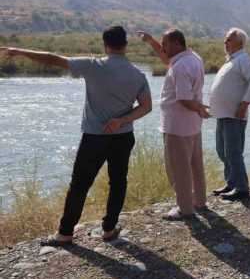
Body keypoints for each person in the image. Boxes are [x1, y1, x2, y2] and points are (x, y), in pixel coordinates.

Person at [1, 26, 152, 246]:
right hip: (123, 136)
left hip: (94, 137)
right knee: (118, 182)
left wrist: (20, 50)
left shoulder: (93, 66)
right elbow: (146, 107)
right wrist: (121, 120)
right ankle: (109, 229)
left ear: (105, 44)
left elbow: (53, 59)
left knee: (80, 185)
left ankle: (65, 233)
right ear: (125, 45)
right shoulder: (137, 74)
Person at [139, 28, 209, 220]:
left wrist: (200, 108)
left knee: (179, 169)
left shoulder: (179, 67)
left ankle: (185, 208)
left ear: (177, 44)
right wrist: (152, 42)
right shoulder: (193, 58)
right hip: (192, 125)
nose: (163, 47)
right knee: (195, 165)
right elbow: (166, 59)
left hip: (177, 125)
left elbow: (184, 99)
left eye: (165, 43)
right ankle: (200, 201)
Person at [208, 28, 250, 201]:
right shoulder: (231, 60)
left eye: (229, 39)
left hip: (234, 115)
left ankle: (242, 188)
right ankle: (231, 183)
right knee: (222, 152)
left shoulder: (243, 59)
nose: (225, 42)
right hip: (223, 114)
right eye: (225, 39)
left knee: (233, 153)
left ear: (239, 42)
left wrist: (244, 104)